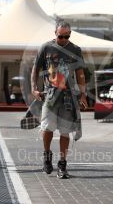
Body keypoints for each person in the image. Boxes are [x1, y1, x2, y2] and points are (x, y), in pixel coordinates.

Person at [31, 20, 88, 179]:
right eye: (60, 36)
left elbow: (80, 74)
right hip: (50, 95)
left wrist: (83, 94)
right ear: (55, 33)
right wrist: (34, 87)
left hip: (69, 96)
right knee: (47, 127)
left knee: (65, 130)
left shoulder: (75, 49)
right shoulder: (46, 47)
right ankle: (47, 157)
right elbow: (35, 69)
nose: (63, 39)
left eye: (66, 36)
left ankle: (62, 165)